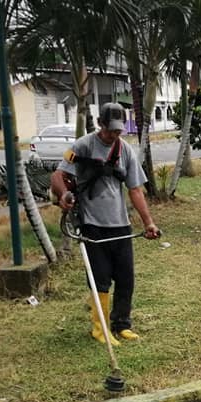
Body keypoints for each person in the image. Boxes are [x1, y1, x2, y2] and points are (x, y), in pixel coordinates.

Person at [51, 102, 160, 345]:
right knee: (100, 278)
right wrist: (63, 195)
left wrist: (149, 223)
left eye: (118, 130)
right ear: (100, 123)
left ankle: (122, 324)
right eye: (111, 130)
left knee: (125, 278)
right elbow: (58, 175)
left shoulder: (125, 150)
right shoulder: (82, 146)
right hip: (92, 224)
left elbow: (135, 190)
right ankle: (100, 329)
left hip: (120, 224)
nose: (114, 135)